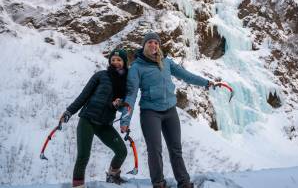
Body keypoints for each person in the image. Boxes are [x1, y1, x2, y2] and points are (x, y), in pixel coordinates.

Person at [122, 32, 214, 188]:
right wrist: (125, 120)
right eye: (150, 42)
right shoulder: (137, 67)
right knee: (155, 149)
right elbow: (131, 94)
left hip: (170, 111)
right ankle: (158, 183)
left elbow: (187, 76)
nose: (153, 45)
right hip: (150, 112)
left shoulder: (166, 62)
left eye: (156, 43)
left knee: (176, 149)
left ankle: (184, 182)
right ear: (144, 45)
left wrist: (206, 82)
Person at [60, 49, 130, 188]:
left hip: (105, 125)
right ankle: (78, 185)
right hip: (88, 120)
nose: (115, 62)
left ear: (124, 63)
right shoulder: (101, 76)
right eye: (113, 60)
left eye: (119, 60)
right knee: (83, 156)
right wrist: (69, 111)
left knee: (122, 151)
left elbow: (120, 107)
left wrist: (117, 105)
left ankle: (112, 175)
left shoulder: (125, 84)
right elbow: (84, 95)